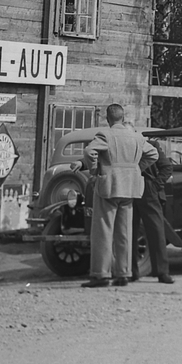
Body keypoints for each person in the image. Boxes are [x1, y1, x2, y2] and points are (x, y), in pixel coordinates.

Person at [77, 103, 158, 288]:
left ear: (108, 118)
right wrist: (136, 169)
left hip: (109, 186)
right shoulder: (136, 136)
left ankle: (101, 275)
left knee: (103, 232)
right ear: (123, 117)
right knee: (124, 233)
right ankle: (123, 273)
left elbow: (89, 151)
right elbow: (152, 154)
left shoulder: (105, 134)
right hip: (130, 187)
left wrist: (95, 169)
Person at [131, 139, 175, 284]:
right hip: (129, 187)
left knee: (156, 230)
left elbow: (167, 167)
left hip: (148, 187)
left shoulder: (151, 145)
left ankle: (162, 272)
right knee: (129, 230)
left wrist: (155, 185)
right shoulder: (124, 143)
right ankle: (131, 271)